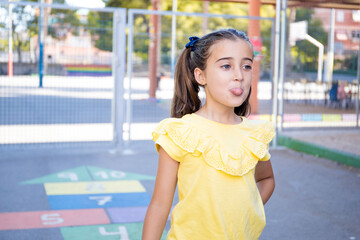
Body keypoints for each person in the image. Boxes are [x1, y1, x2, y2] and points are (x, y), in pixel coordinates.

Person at [142, 29, 275, 240]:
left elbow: (267, 179)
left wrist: (248, 208)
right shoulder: (180, 133)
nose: (239, 76)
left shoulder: (254, 135)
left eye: (246, 66)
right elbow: (159, 206)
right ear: (200, 75)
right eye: (226, 66)